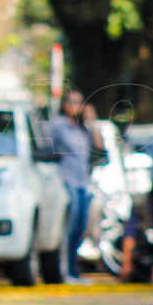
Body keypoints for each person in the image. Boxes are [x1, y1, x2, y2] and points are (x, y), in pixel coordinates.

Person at [48, 88, 104, 285]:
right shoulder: (58, 125)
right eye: (70, 101)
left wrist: (92, 121)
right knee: (69, 228)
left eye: (78, 102)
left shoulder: (82, 128)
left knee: (81, 228)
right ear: (64, 104)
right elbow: (48, 149)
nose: (74, 105)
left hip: (83, 183)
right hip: (67, 182)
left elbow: (99, 148)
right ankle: (66, 271)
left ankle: (74, 270)